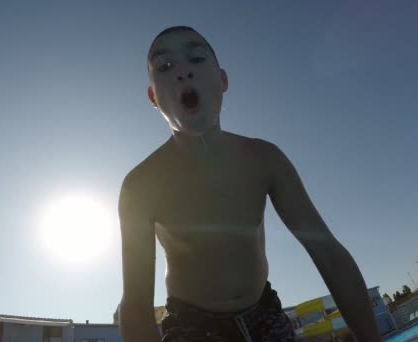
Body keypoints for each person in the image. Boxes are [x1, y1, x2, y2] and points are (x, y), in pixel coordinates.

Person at [118, 26, 382, 342]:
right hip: (192, 329)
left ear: (223, 80)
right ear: (152, 97)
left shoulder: (264, 159)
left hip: (266, 315)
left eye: (196, 59)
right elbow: (135, 306)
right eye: (164, 67)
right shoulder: (140, 186)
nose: (183, 72)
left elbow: (327, 252)